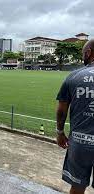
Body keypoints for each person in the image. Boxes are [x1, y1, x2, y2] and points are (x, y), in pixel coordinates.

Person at [56, 39, 94, 194]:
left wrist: (59, 132)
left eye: (83, 53)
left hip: (80, 142)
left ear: (89, 53)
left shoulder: (74, 76)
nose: (83, 57)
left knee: (77, 186)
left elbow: (61, 110)